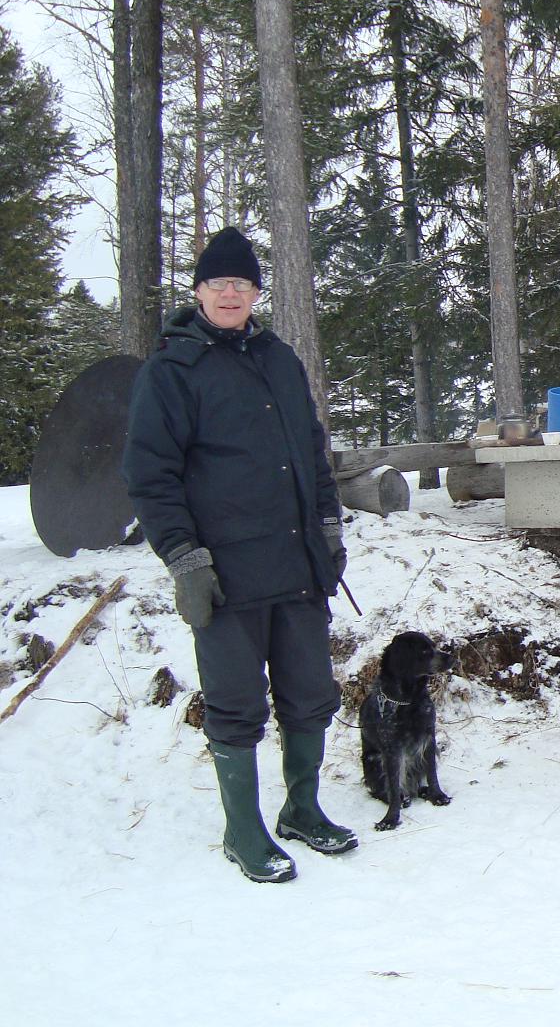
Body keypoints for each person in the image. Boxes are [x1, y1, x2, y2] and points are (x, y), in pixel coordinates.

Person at [123, 227, 355, 883]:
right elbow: (150, 476)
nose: (231, 293)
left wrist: (328, 526)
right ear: (199, 292)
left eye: (243, 283)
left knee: (309, 693)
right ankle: (242, 829)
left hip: (297, 563)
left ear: (256, 292)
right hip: (224, 572)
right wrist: (184, 559)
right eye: (219, 283)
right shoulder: (171, 371)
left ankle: (302, 809)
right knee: (235, 702)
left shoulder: (280, 359)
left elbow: (311, 452)